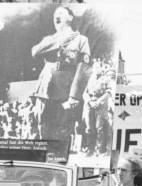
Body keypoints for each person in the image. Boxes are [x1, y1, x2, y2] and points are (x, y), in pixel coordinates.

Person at [31, 6, 90, 159]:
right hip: (45, 87)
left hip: (65, 89)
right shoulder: (49, 39)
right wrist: (58, 39)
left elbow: (83, 68)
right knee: (42, 124)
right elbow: (35, 52)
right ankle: (45, 158)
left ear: (70, 18)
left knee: (63, 127)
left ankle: (59, 160)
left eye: (60, 14)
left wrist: (75, 95)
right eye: (54, 15)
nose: (56, 17)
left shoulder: (81, 40)